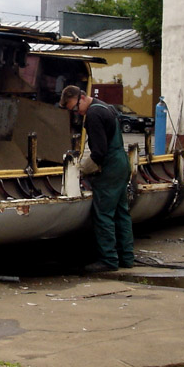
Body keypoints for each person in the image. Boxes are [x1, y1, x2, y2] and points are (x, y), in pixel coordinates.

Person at [60, 85, 134, 271]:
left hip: (110, 167)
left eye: (76, 108)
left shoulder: (93, 115)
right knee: (122, 213)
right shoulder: (105, 107)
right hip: (122, 163)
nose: (77, 113)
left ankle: (109, 260)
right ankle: (127, 258)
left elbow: (99, 152)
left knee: (104, 214)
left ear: (82, 98)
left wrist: (82, 170)